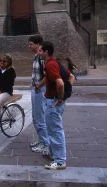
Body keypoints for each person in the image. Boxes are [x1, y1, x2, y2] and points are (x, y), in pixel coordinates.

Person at [36, 41, 75, 170]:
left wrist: (59, 98)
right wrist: (40, 86)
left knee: (55, 130)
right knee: (53, 129)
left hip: (53, 101)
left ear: (46, 52)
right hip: (54, 101)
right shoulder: (53, 63)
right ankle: (54, 154)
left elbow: (60, 83)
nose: (39, 52)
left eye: (40, 50)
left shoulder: (51, 65)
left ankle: (60, 161)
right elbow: (71, 77)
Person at [28, 35, 50, 153]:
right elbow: (36, 73)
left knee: (40, 117)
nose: (29, 46)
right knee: (35, 117)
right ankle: (42, 140)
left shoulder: (41, 58)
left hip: (40, 90)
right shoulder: (36, 56)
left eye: (31, 44)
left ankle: (45, 143)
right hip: (36, 89)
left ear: (37, 44)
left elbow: (47, 76)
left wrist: (38, 86)